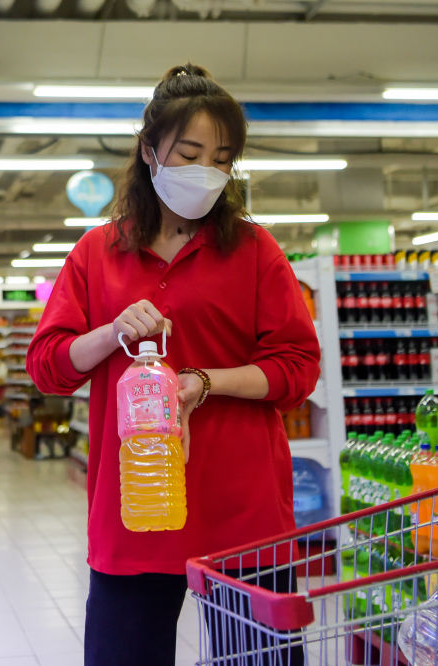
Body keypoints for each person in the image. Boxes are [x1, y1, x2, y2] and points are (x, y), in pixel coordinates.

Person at [26, 63, 321, 666]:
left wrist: (204, 383)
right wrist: (111, 333)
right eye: (189, 154)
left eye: (222, 159)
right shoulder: (96, 253)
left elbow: (297, 367)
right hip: (137, 510)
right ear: (149, 151)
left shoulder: (254, 250)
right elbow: (48, 366)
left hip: (242, 513)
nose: (206, 171)